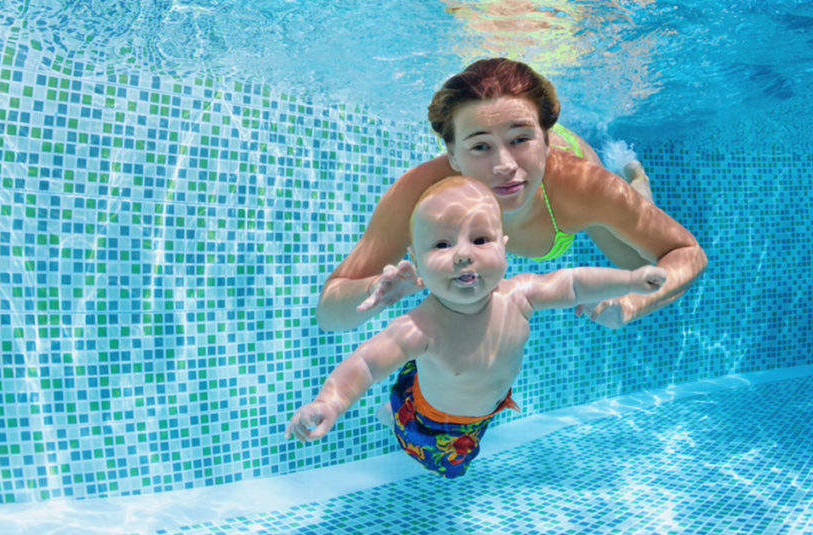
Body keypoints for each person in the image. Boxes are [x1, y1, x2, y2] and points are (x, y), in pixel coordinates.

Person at [286, 177, 667, 478]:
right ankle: (393, 413)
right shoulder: (420, 327)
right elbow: (367, 364)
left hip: (484, 409)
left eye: (480, 239)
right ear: (415, 262)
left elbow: (574, 283)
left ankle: (407, 405)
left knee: (464, 452)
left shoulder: (520, 295)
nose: (464, 253)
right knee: (448, 467)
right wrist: (331, 401)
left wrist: (631, 280)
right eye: (442, 244)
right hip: (428, 419)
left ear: (503, 245)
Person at [315, 58, 706, 332]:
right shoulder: (420, 193)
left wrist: (631, 304)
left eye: (521, 140)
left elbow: (688, 254)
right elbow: (330, 313)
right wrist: (374, 292)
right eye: (480, 147)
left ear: (546, 139)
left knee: (635, 263)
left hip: (565, 191)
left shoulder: (582, 186)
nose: (504, 165)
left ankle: (635, 176)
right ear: (451, 154)